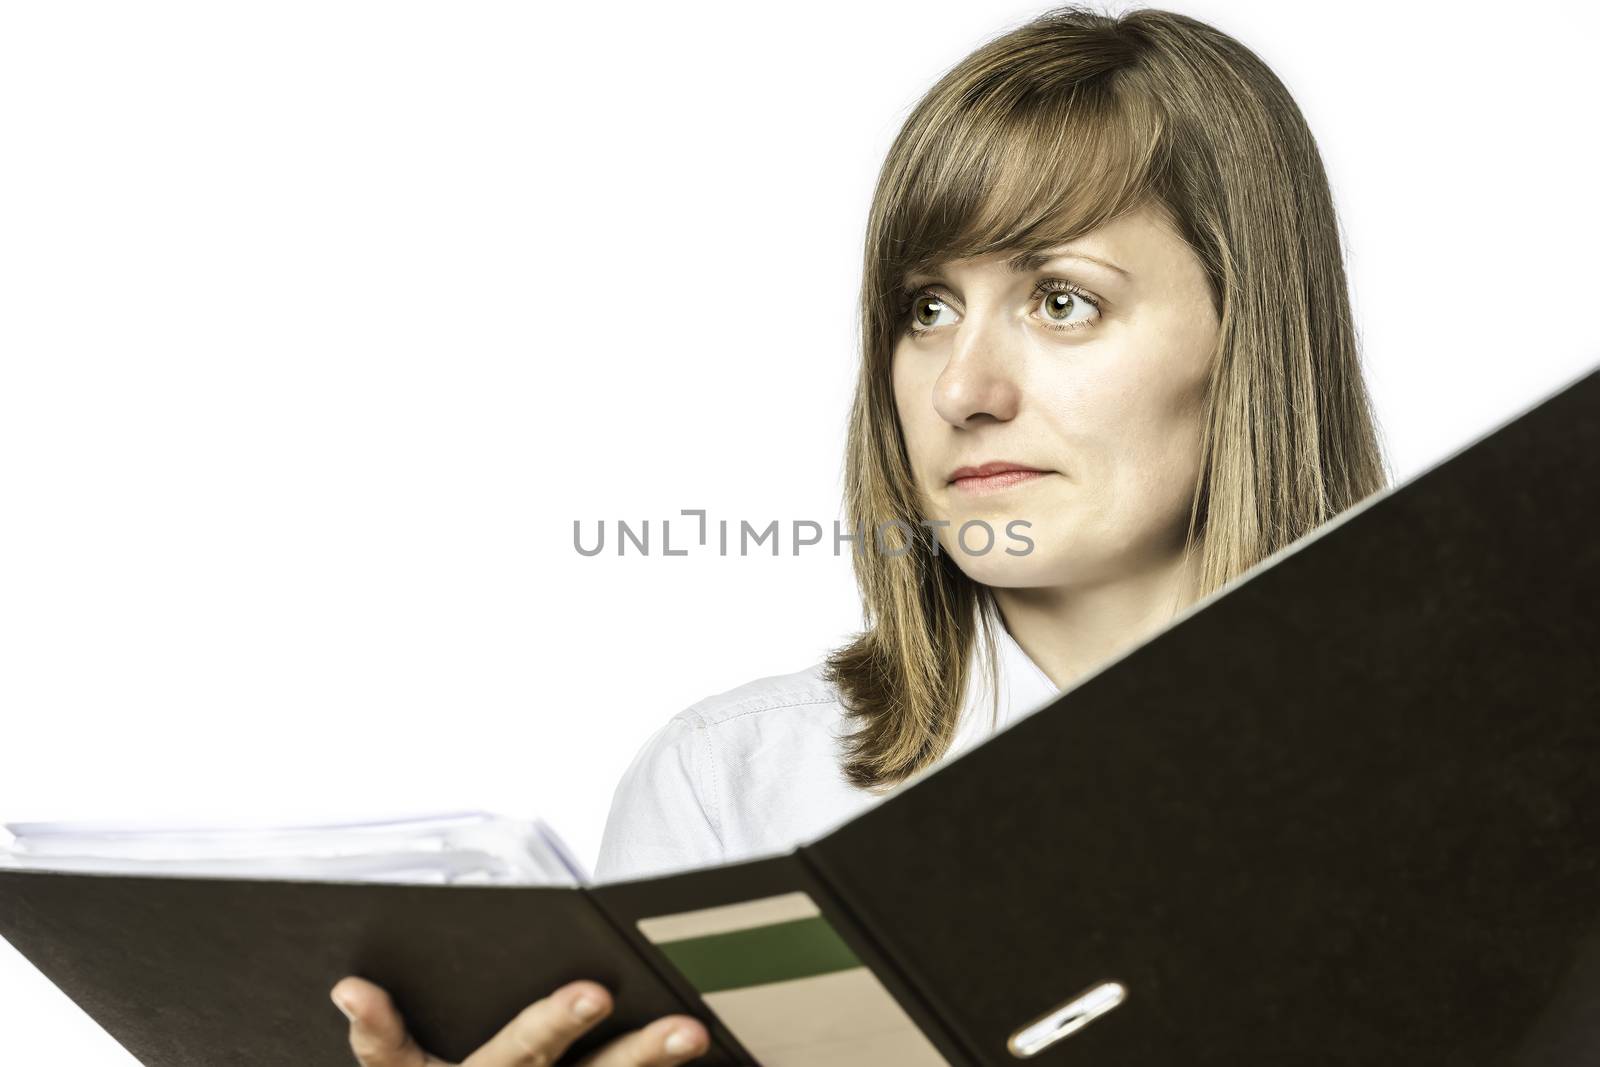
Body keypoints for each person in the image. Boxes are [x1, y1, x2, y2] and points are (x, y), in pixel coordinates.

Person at [329, 4, 1389, 1064]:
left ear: (1251, 334)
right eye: (925, 308)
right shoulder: (738, 788)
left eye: (1060, 299)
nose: (963, 388)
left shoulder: (1462, 777)